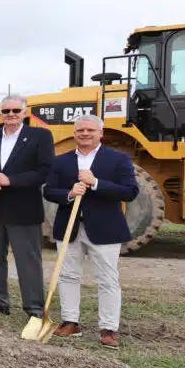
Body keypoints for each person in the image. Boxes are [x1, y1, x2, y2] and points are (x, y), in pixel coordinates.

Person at [44, 115, 138, 349]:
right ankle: (70, 321)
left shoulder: (119, 160)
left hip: (104, 229)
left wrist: (95, 183)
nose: (84, 134)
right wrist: (68, 193)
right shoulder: (61, 161)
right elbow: (48, 191)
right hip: (70, 227)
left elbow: (130, 191)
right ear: (74, 133)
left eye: (90, 130)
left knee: (107, 279)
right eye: (80, 130)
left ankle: (108, 328)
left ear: (100, 133)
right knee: (67, 275)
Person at [0, 94, 55, 318]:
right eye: (6, 111)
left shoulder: (40, 136)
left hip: (23, 209)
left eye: (16, 111)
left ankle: (34, 307)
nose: (11, 115)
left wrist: (12, 180)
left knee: (27, 260)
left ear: (25, 113)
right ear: (0, 114)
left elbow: (45, 170)